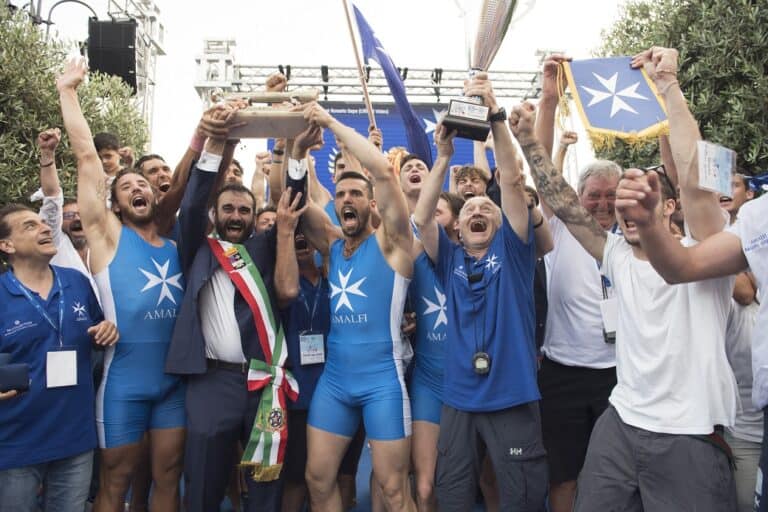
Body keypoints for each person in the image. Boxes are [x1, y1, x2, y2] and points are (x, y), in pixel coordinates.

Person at [519, 46, 738, 511]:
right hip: (619, 423)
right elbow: (558, 197)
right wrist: (531, 136)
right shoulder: (614, 253)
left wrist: (669, 87)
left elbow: (696, 174)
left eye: (644, 196)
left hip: (689, 432)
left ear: (668, 205)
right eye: (623, 202)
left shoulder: (704, 252)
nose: (629, 207)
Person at [414, 73, 550, 512]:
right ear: (456, 225)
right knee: (452, 496)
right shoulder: (449, 258)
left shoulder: (514, 251)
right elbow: (421, 218)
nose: (476, 209)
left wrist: (495, 116)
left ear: (501, 222)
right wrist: (443, 157)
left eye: (485, 208)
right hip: (458, 400)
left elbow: (510, 181)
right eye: (468, 208)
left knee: (521, 500)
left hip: (510, 394)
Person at [57, 57, 187, 512]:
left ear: (154, 194)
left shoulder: (176, 242)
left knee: (169, 478)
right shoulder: (109, 235)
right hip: (124, 382)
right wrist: (67, 92)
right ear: (113, 202)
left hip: (173, 385)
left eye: (143, 185)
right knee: (116, 481)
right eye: (126, 185)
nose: (138, 188)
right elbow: (88, 158)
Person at [164, 104, 307, 512]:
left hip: (264, 383)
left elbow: (292, 206)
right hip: (212, 382)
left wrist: (295, 151)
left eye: (244, 211)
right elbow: (190, 205)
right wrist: (215, 142)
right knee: (205, 481)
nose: (236, 216)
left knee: (266, 484)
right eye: (228, 209)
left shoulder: (263, 247)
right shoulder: (199, 248)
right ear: (216, 214)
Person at [298, 102, 416, 512]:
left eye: (356, 194)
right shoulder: (331, 246)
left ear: (371, 204)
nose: (347, 199)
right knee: (317, 478)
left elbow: (384, 173)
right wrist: (295, 154)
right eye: (341, 194)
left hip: (382, 381)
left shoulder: (393, 244)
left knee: (393, 489)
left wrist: (331, 123)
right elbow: (294, 202)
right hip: (335, 382)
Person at [532, 53, 622, 512]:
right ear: (579, 197)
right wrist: (550, 100)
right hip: (563, 371)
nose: (602, 204)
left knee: (611, 478)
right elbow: (543, 169)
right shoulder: (564, 226)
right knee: (563, 474)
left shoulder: (635, 239)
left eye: (610, 196)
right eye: (594, 196)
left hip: (619, 374)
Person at [0, 204, 118, 512]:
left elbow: (99, 326)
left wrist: (106, 329)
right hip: (16, 443)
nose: (43, 227)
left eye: (42, 223)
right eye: (29, 226)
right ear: (7, 245)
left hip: (75, 438)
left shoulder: (76, 282)